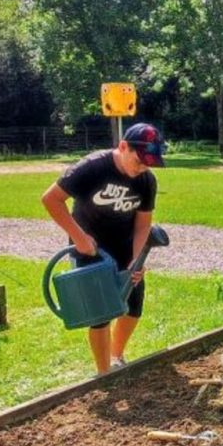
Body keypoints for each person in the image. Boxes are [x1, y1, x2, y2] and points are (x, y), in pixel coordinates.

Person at [41, 123, 166, 374]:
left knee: (133, 306)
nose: (143, 167)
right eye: (139, 160)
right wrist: (79, 238)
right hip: (90, 249)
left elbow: (143, 224)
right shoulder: (92, 168)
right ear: (123, 147)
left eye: (148, 163)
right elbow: (51, 199)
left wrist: (135, 261)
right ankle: (103, 373)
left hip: (125, 247)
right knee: (100, 314)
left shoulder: (146, 181)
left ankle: (117, 356)